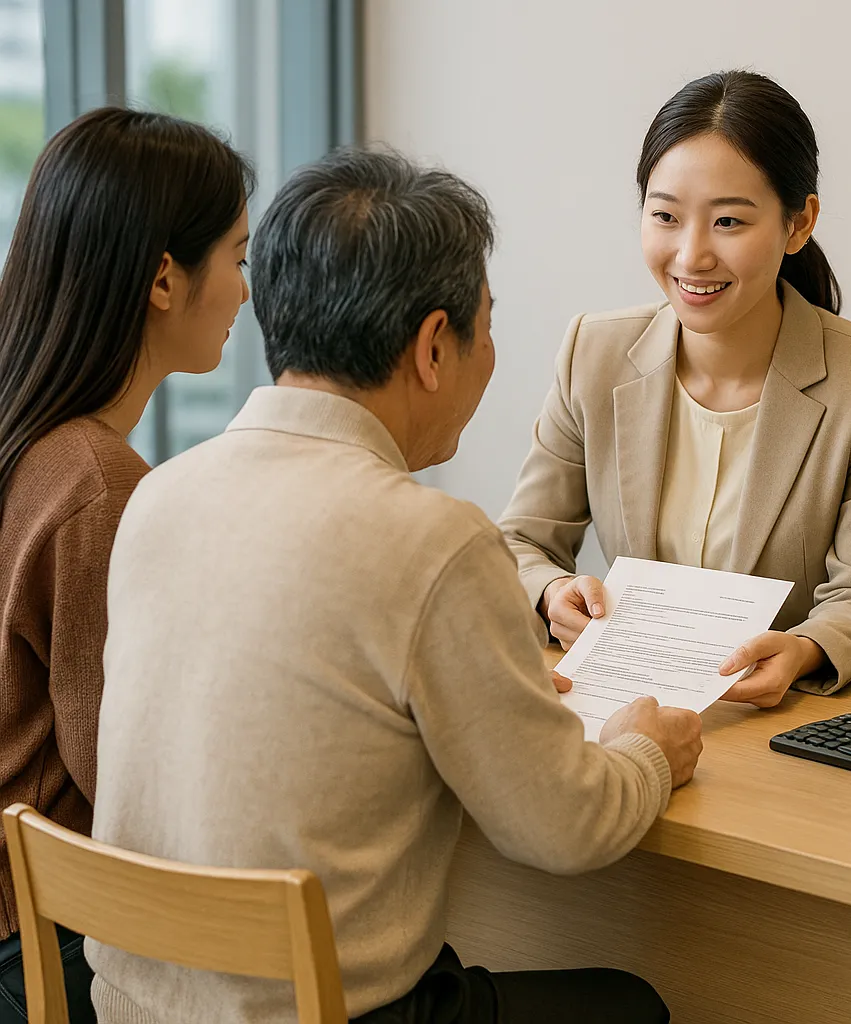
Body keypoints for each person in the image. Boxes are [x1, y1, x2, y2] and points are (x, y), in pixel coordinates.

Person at [86, 146, 702, 1024]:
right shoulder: (432, 541)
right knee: (628, 1004)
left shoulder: (160, 494)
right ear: (431, 348)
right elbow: (565, 828)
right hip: (324, 1015)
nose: (491, 358)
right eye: (485, 329)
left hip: (130, 1008)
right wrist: (643, 747)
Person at [501, 70, 851, 707]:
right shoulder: (595, 352)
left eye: (728, 222)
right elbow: (521, 542)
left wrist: (802, 648)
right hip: (628, 703)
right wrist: (551, 592)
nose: (691, 256)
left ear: (798, 224)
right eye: (665, 215)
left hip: (792, 716)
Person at [0, 107, 253, 1021]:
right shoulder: (97, 485)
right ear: (162, 278)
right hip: (46, 944)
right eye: (238, 257)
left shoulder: (38, 447)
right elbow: (130, 776)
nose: (247, 292)